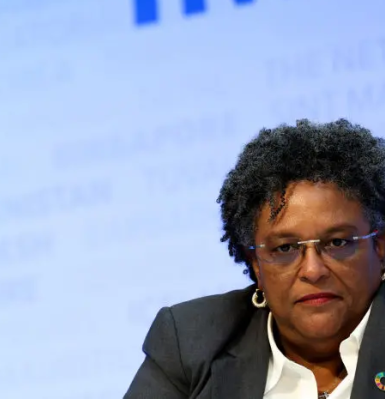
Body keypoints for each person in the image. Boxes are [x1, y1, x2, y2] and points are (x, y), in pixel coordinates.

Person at [124, 119, 385, 399]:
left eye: (336, 242)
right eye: (285, 248)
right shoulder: (191, 343)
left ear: (380, 247)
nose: (313, 270)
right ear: (256, 265)